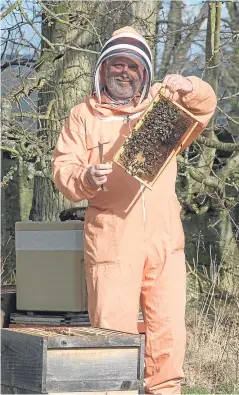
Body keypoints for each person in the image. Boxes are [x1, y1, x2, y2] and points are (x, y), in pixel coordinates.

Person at [52, 26, 217, 394]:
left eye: (132, 65)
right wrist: (86, 176)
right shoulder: (83, 116)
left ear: (144, 72)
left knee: (168, 334)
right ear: (103, 68)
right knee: (113, 336)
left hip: (165, 243)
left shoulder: (164, 102)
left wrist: (189, 85)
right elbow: (63, 169)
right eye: (116, 64)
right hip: (112, 240)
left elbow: (205, 105)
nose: (123, 72)